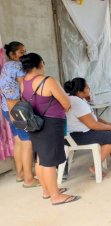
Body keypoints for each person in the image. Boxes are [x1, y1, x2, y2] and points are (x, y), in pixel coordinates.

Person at [20, 53, 80, 205]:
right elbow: (66, 103)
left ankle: (47, 191)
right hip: (51, 124)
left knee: (41, 158)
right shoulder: (47, 81)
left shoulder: (23, 82)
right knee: (49, 162)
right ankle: (56, 196)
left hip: (34, 123)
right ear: (40, 64)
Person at [64, 77, 111, 174]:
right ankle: (95, 167)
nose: (89, 89)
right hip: (77, 136)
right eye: (87, 87)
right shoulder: (77, 103)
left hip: (77, 133)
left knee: (110, 132)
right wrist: (110, 127)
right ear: (80, 90)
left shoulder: (77, 99)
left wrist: (107, 124)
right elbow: (93, 124)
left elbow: (92, 118)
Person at [0, 41, 40, 187]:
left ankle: (20, 174)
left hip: (6, 108)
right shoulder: (17, 66)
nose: (25, 54)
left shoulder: (6, 66)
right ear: (12, 54)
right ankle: (29, 179)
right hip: (17, 109)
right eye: (21, 52)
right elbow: (26, 87)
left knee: (18, 141)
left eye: (25, 51)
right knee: (27, 142)